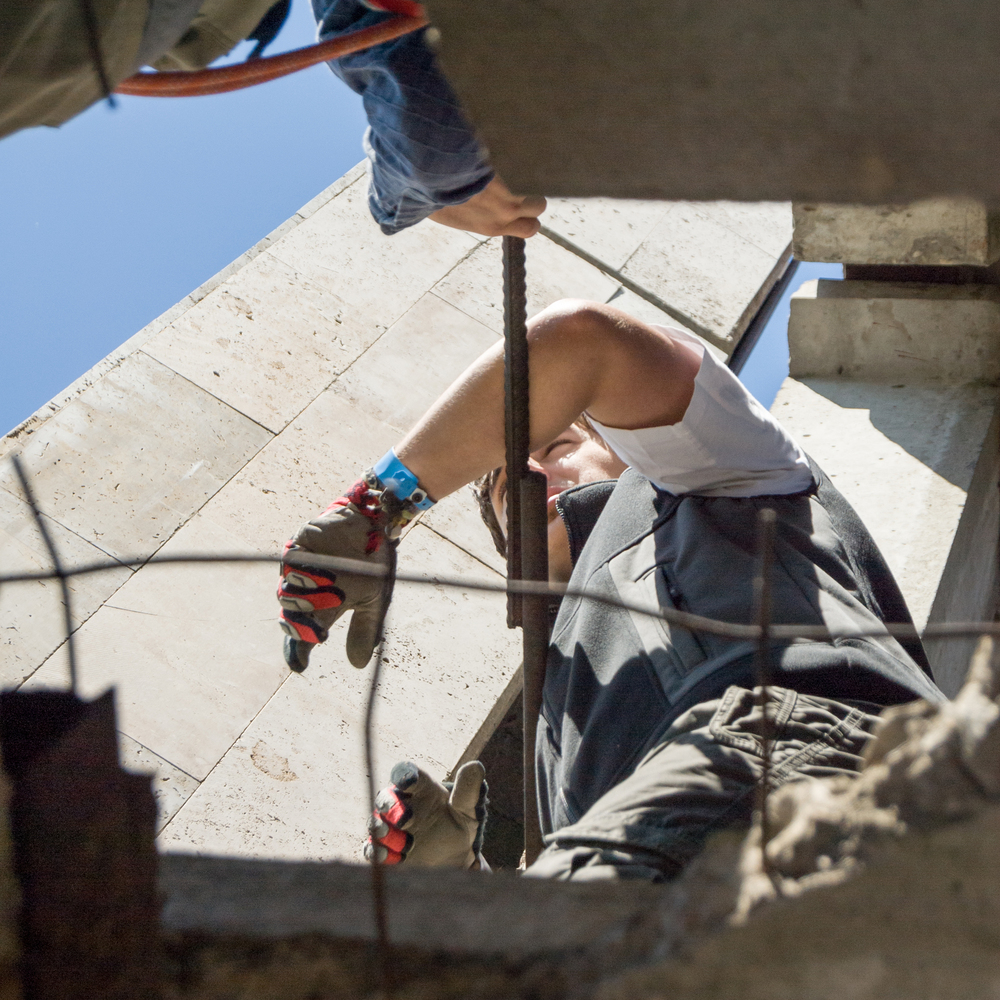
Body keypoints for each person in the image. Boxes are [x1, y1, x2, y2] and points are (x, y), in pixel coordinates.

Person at [277, 299, 944, 880]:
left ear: (630, 446)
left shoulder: (721, 471)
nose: (533, 471)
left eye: (557, 444)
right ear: (511, 553)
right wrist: (457, 883)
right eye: (508, 491)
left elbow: (582, 342)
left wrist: (378, 507)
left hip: (807, 772)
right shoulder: (556, 710)